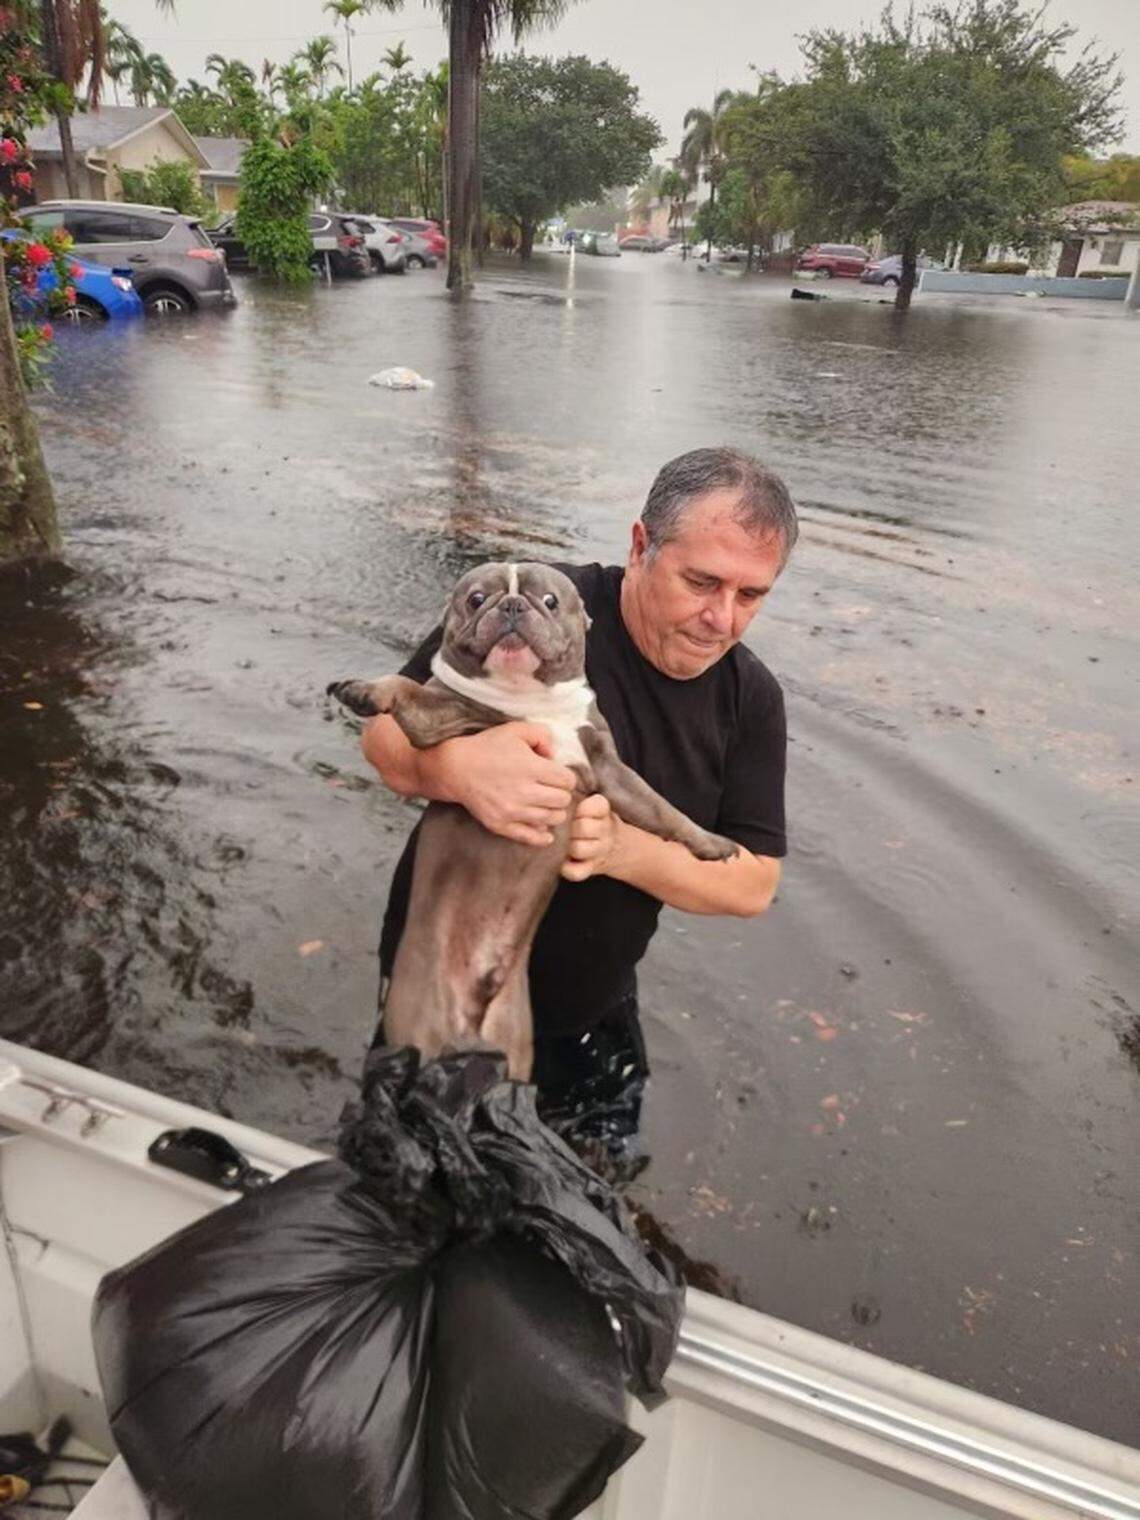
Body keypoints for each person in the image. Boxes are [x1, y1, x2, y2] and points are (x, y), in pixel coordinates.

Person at [361, 446, 797, 1146]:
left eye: (750, 596)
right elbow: (384, 740)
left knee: (590, 1177)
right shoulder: (532, 605)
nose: (722, 618)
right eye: (700, 582)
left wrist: (621, 848)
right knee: (409, 1169)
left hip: (587, 1006)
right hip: (438, 978)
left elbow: (752, 884)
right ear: (640, 545)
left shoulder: (750, 700)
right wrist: (462, 771)